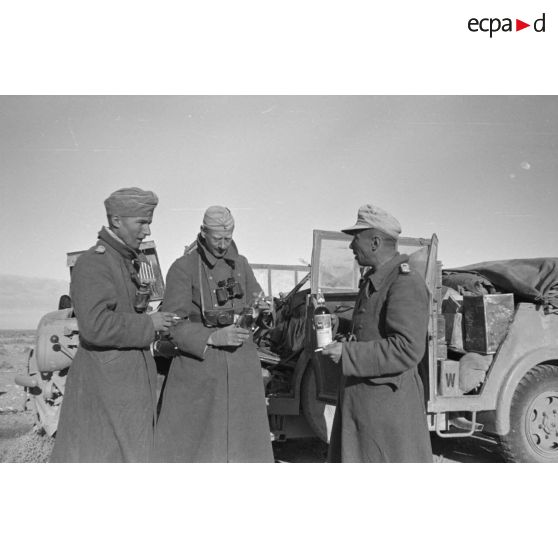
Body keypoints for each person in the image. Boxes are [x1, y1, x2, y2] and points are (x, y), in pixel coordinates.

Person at [50, 188, 177, 462]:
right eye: (141, 223)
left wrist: (156, 322)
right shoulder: (94, 263)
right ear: (117, 220)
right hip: (106, 387)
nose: (146, 231)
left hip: (125, 385)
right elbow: (95, 326)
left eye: (149, 223)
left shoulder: (128, 261)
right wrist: (148, 324)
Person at [154, 206, 274, 462]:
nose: (222, 245)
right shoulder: (183, 267)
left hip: (242, 372)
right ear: (203, 232)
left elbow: (256, 304)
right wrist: (211, 337)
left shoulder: (241, 265)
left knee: (244, 450)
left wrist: (264, 310)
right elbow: (171, 323)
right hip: (201, 371)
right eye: (217, 238)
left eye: (228, 238)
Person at [322, 204, 433, 462]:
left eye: (355, 239)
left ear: (374, 242)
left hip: (385, 414)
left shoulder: (404, 282)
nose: (351, 246)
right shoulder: (377, 279)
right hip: (367, 408)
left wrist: (348, 353)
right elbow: (373, 332)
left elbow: (407, 349)